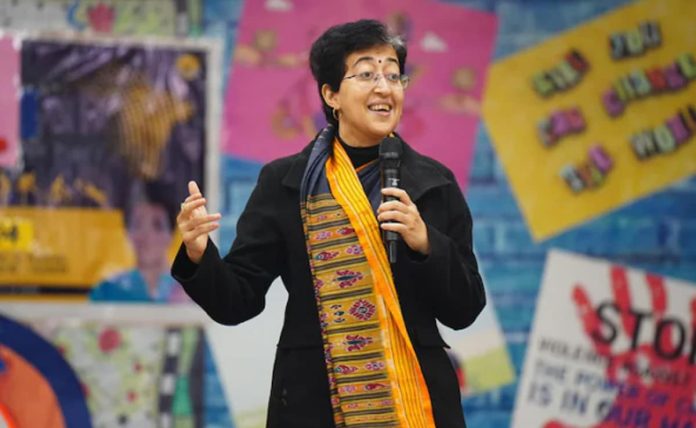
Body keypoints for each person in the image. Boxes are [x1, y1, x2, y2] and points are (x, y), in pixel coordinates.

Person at [172, 19, 485, 427]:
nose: (384, 88)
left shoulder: (434, 184)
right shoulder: (285, 184)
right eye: (367, 74)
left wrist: (426, 242)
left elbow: (465, 309)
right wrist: (198, 254)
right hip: (313, 402)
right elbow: (238, 301)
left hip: (415, 401)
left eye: (393, 75)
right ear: (331, 94)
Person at [91, 184, 189, 303]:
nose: (147, 236)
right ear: (127, 232)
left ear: (171, 233)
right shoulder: (107, 291)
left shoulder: (190, 292)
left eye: (157, 225)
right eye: (137, 224)